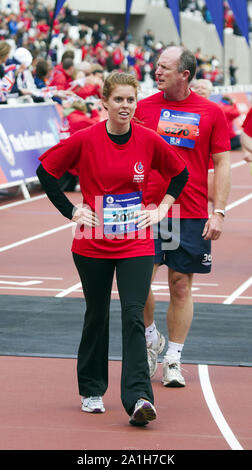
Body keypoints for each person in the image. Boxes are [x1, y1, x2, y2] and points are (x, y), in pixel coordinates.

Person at [36, 72, 188, 426]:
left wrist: (162, 207)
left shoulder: (149, 140)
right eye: (118, 100)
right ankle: (91, 388)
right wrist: (72, 210)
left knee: (134, 314)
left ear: (137, 103)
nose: (125, 106)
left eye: (130, 100)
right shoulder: (85, 139)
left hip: (135, 240)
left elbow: (178, 173)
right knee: (97, 314)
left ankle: (138, 398)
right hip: (92, 244)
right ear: (104, 102)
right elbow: (46, 171)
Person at [134, 46, 231, 387]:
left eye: (163, 67)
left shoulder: (211, 112)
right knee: (139, 282)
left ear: (184, 74)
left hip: (187, 211)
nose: (155, 71)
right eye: (156, 65)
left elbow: (221, 163)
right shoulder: (142, 108)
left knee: (179, 285)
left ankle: (173, 358)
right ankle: (150, 341)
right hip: (147, 209)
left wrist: (218, 212)